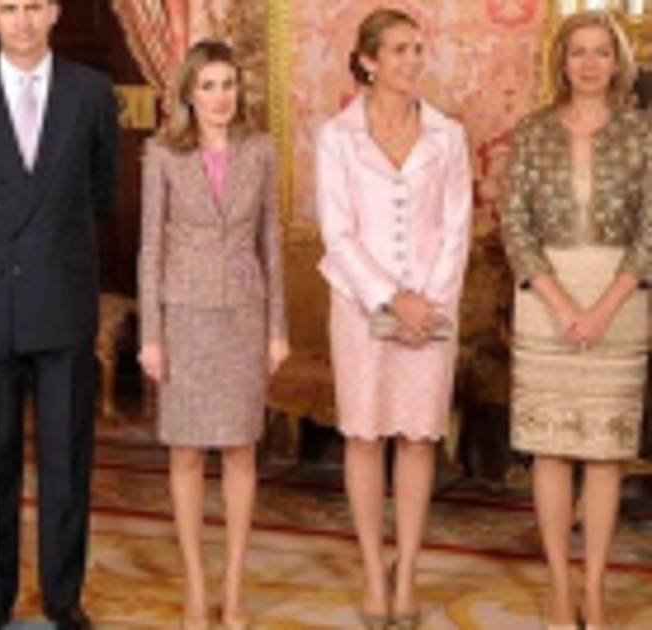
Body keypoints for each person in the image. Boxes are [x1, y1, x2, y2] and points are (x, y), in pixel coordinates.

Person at [0, 0, 119, 627]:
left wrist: (46, 253)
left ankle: (64, 597)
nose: (23, 20)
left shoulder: (92, 94)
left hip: (63, 299)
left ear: (54, 13)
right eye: (9, 8)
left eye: (34, 6)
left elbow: (102, 192)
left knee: (67, 460)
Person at [314, 8, 472, 630]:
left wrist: (426, 302)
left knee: (417, 437)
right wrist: (389, 298)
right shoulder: (337, 136)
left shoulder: (448, 136)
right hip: (359, 307)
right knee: (363, 435)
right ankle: (373, 574)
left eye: (417, 48)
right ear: (368, 61)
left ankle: (406, 570)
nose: (411, 60)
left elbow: (456, 229)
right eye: (399, 50)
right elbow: (338, 233)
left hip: (433, 307)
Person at [500, 11, 650, 629]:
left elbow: (651, 233)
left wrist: (605, 307)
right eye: (578, 52)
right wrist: (563, 306)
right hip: (546, 302)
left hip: (621, 300)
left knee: (605, 452)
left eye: (600, 52)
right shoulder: (532, 131)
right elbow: (514, 225)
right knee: (552, 448)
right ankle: (561, 589)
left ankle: (595, 588)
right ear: (561, 62)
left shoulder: (643, 133)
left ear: (618, 63)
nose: (589, 63)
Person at [137, 40, 288, 630]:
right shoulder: (161, 154)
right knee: (185, 452)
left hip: (244, 316)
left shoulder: (261, 150)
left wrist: (277, 329)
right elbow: (150, 248)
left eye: (228, 84)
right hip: (185, 318)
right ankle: (197, 590)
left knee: (241, 449)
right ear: (188, 94)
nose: (221, 97)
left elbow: (270, 240)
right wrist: (151, 336)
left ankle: (234, 590)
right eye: (209, 86)